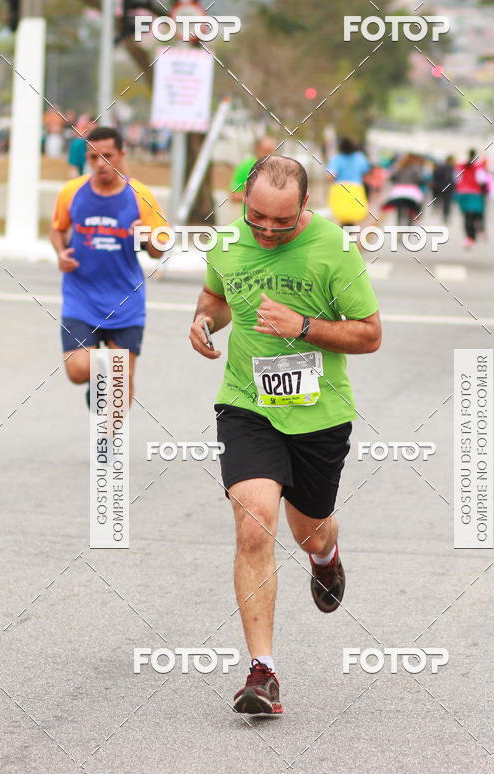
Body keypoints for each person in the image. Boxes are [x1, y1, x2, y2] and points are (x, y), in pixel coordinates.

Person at [188, 155, 382, 716]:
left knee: (310, 532)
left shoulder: (334, 249)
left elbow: (370, 334)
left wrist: (303, 326)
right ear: (243, 201)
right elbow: (216, 297)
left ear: (305, 206)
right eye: (258, 218)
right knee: (254, 527)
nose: (268, 230)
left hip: (319, 414)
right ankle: (263, 672)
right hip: (247, 404)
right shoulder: (227, 242)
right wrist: (203, 322)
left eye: (282, 221)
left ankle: (327, 555)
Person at [50, 126, 168, 407]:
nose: (100, 163)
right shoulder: (72, 191)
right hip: (81, 298)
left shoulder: (140, 195)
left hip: (125, 300)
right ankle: (105, 373)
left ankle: (112, 393)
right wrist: (61, 253)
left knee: (119, 398)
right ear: (87, 159)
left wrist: (146, 236)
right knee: (78, 370)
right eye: (93, 157)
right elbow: (57, 229)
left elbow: (159, 250)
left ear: (121, 155)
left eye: (107, 156)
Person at [326, 137, 371, 228]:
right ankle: (349, 233)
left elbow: (330, 176)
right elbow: (366, 172)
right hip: (356, 189)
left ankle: (343, 232)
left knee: (343, 215)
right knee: (352, 214)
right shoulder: (359, 158)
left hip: (340, 189)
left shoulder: (337, 159)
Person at [454, 149, 488, 248]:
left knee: (467, 216)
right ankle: (478, 232)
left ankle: (469, 238)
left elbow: (457, 179)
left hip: (463, 194)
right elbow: (482, 180)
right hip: (475, 194)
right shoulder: (479, 167)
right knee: (476, 215)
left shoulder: (460, 166)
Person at [229, 136, 277, 201]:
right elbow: (233, 195)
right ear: (257, 149)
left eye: (272, 151)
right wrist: (256, 198)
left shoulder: (280, 168)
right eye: (266, 151)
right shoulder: (244, 167)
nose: (269, 155)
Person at [431, 155, 455, 222]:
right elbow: (450, 177)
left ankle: (444, 214)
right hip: (448, 186)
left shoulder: (441, 167)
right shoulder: (451, 167)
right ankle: (445, 215)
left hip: (442, 186)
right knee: (447, 202)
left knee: (444, 201)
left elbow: (437, 176)